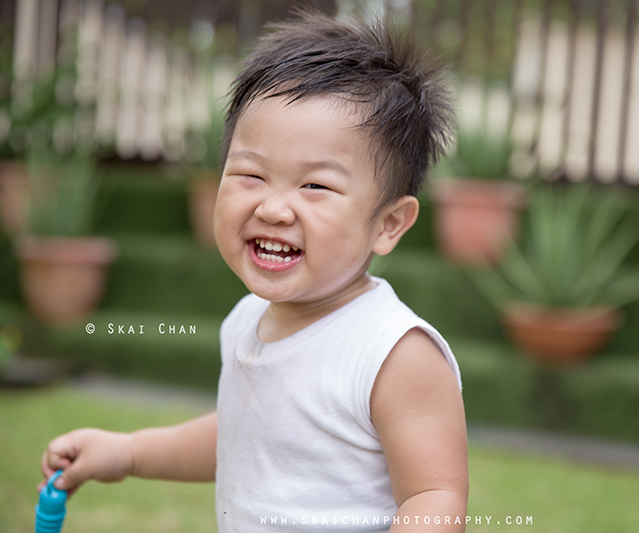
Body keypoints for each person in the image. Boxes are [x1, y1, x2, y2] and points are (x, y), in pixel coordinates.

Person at [39, 10, 468, 532]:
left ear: (389, 224)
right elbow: (242, 436)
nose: (274, 208)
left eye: (315, 186)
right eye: (251, 174)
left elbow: (433, 495)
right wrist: (129, 452)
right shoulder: (248, 319)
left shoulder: (393, 352)